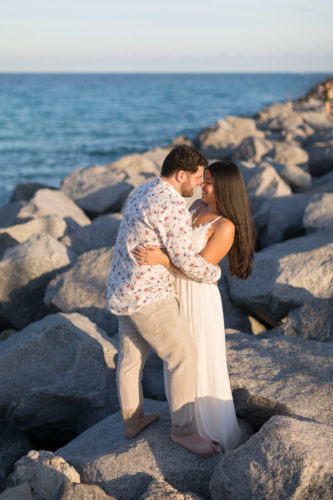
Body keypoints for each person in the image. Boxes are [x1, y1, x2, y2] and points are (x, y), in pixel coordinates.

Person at [107, 145, 222, 457]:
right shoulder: (171, 205)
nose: (200, 183)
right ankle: (184, 431)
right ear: (180, 174)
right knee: (183, 355)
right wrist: (213, 273)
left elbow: (124, 232)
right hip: (149, 295)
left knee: (130, 361)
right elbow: (184, 258)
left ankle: (133, 421)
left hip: (121, 288)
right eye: (197, 177)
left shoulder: (144, 189)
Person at [133, 160, 255, 452]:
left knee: (197, 357)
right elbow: (174, 243)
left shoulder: (225, 226)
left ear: (224, 188)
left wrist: (163, 260)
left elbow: (200, 267)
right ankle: (184, 421)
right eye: (204, 179)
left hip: (198, 298)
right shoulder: (196, 209)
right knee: (176, 357)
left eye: (209, 181)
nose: (202, 184)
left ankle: (206, 428)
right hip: (173, 291)